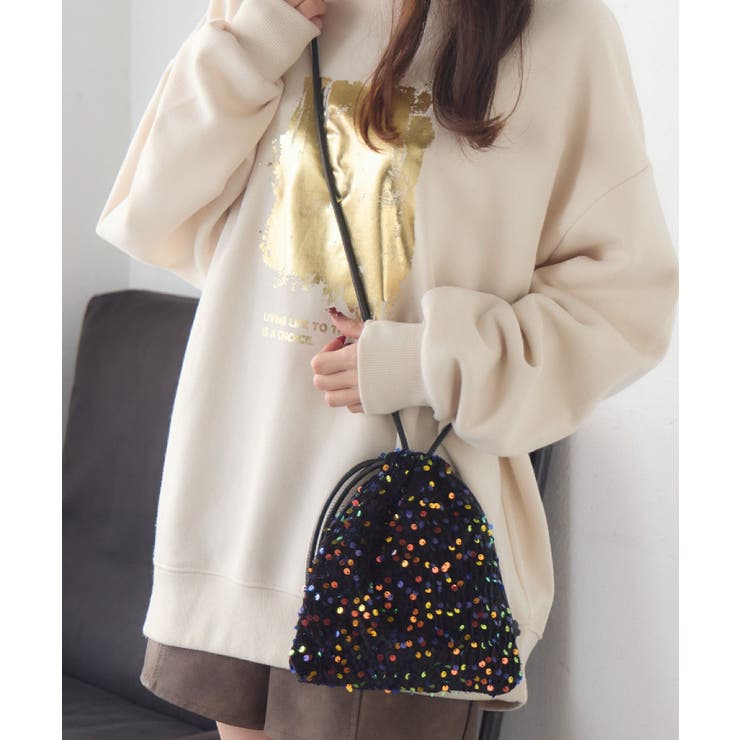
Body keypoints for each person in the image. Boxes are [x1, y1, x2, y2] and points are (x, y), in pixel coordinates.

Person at [95, 0, 679, 738]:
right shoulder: (269, 11)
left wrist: (430, 361)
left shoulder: (560, 30)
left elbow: (627, 302)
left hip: (402, 560)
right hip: (237, 530)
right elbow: (151, 215)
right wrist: (254, 38)